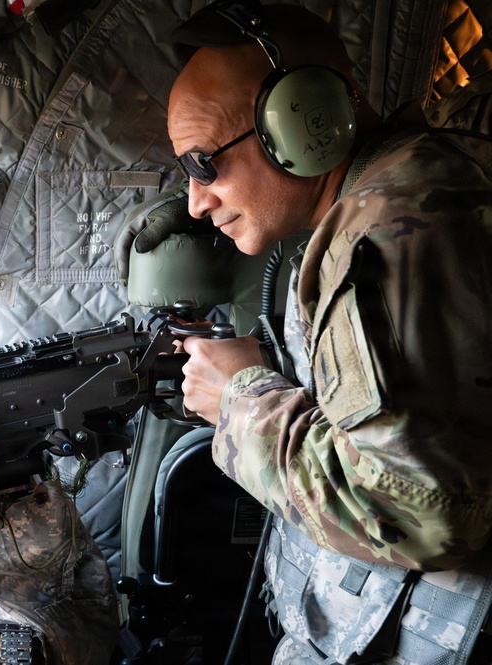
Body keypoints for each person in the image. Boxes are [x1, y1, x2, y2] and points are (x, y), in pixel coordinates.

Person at [162, 2, 492, 663]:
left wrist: (241, 399)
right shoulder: (409, 178)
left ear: (302, 120)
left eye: (203, 164)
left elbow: (421, 513)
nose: (197, 201)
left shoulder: (387, 233)